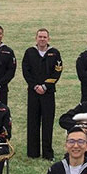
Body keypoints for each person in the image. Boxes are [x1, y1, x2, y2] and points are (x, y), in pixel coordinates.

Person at [22, 28, 63, 161]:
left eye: (44, 37)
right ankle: (33, 152)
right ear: (36, 38)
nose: (42, 39)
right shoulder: (29, 52)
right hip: (33, 93)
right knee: (32, 122)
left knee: (47, 123)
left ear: (48, 39)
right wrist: (35, 86)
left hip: (48, 93)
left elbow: (57, 71)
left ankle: (47, 153)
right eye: (40, 36)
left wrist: (45, 86)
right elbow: (25, 71)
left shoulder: (54, 53)